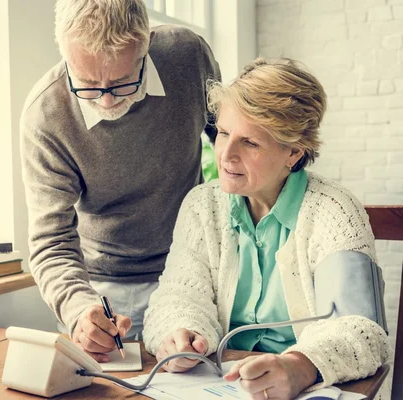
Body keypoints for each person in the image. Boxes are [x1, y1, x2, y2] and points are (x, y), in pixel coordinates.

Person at [142, 58, 390, 399]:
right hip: (219, 386)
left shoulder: (335, 211)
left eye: (250, 143)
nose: (225, 154)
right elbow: (178, 296)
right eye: (224, 133)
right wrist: (181, 331)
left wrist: (300, 366)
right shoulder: (201, 205)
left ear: (293, 153)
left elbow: (361, 332)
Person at [20, 0, 221, 362]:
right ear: (63, 49)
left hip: (194, 273)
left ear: (145, 44)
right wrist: (80, 311)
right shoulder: (46, 116)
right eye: (87, 84)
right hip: (105, 289)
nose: (107, 100)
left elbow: (229, 140)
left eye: (121, 82)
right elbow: (51, 240)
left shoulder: (187, 58)